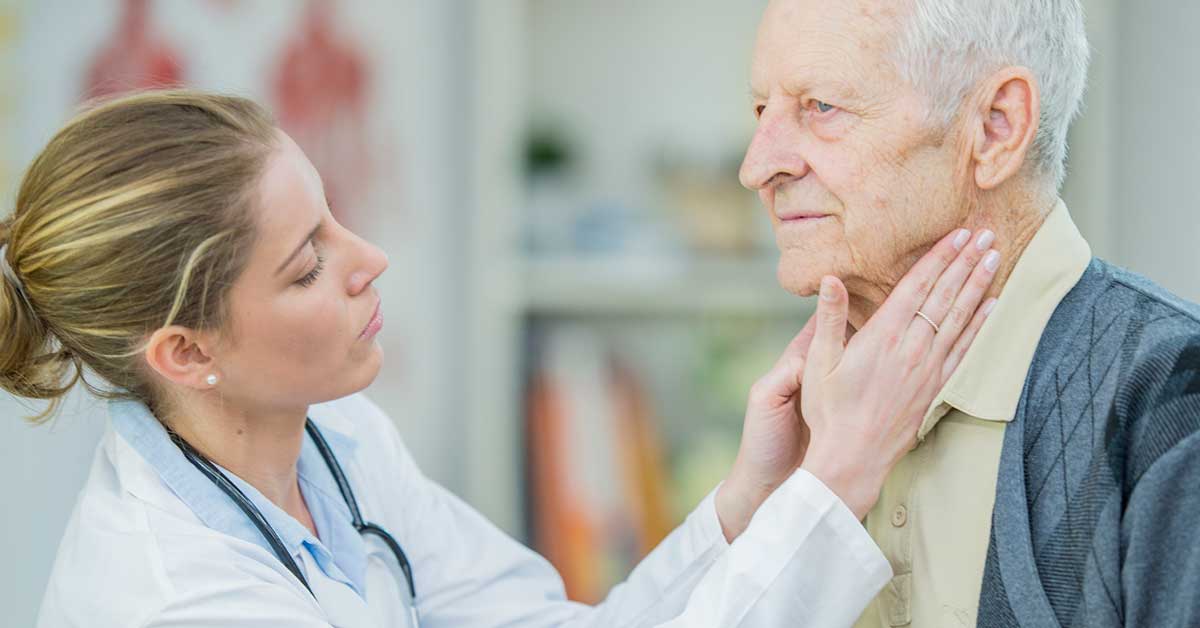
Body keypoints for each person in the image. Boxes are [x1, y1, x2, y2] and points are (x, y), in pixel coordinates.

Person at [1, 90, 998, 628]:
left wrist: (752, 500)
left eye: (334, 218)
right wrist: (840, 478)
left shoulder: (337, 442)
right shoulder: (175, 600)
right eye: (307, 267)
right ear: (186, 352)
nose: (369, 259)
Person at [740, 1, 1200, 626]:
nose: (756, 167)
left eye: (821, 106)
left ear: (995, 128)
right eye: (761, 110)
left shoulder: (1173, 406)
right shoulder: (804, 425)